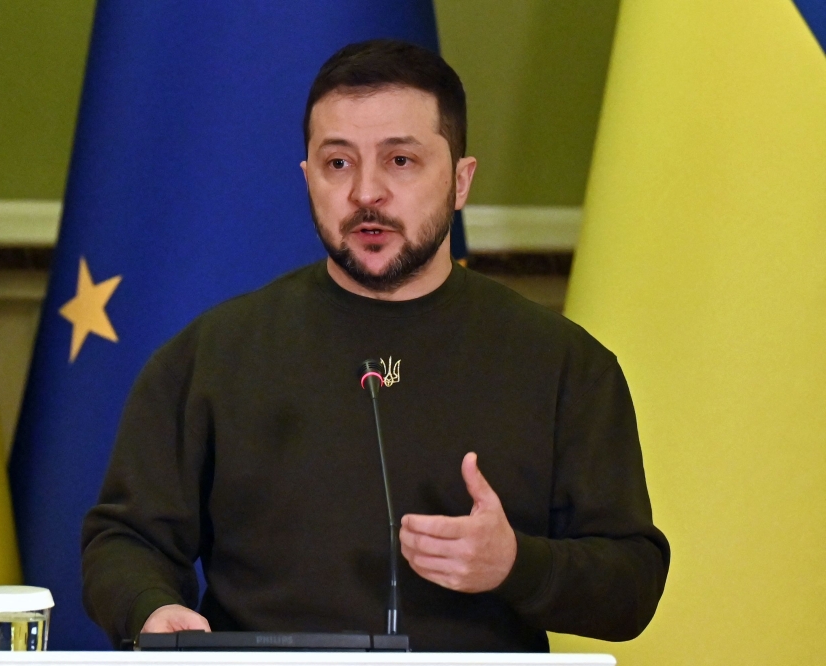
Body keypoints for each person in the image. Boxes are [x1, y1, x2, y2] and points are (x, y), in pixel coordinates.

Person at [81, 39, 670, 652]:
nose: (366, 193)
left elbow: (631, 584)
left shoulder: (563, 365)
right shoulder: (211, 356)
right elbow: (126, 540)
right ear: (307, 178)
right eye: (338, 163)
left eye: (400, 161)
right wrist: (150, 610)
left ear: (461, 180)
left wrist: (515, 563)